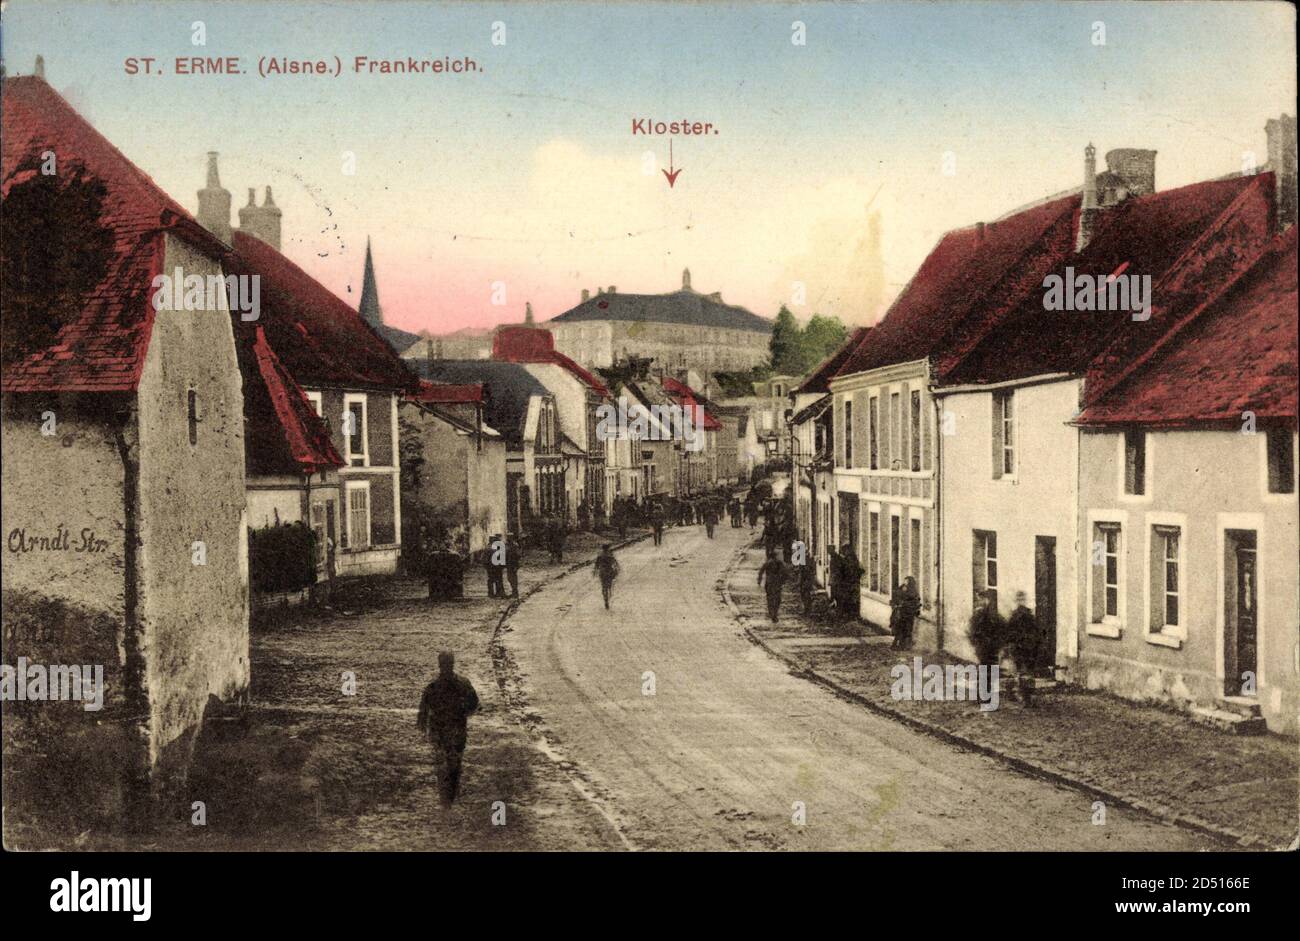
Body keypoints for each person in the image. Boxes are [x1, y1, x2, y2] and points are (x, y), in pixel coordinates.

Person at [416, 652, 480, 805]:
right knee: (454, 760)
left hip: (441, 729)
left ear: (440, 664)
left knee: (444, 760)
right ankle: (451, 791)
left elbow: (423, 711)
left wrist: (423, 726)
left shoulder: (432, 687)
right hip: (456, 728)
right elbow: (474, 704)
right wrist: (464, 712)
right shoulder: (463, 683)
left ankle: (446, 794)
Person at [1004, 591, 1038, 706]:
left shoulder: (1020, 615)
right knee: (1023, 673)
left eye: (1022, 599)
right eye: (1020, 599)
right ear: (1017, 601)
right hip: (1022, 648)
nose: (1021, 601)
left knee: (1020, 672)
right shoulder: (1024, 615)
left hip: (1024, 648)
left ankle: (1020, 695)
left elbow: (1035, 632)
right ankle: (1024, 697)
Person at [968, 589, 1006, 685]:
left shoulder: (991, 614)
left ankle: (986, 695)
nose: (980, 601)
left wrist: (996, 644)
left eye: (982, 599)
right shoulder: (979, 614)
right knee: (986, 671)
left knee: (987, 672)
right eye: (980, 599)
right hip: (985, 648)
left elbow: (1002, 629)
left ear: (987, 600)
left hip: (989, 648)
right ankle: (985, 694)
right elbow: (973, 630)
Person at [889, 575, 922, 650]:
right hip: (901, 614)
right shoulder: (901, 589)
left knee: (907, 630)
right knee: (899, 629)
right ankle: (896, 645)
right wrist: (896, 604)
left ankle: (904, 645)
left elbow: (916, 602)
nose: (905, 583)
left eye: (907, 582)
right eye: (905, 581)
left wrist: (906, 605)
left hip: (908, 614)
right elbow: (895, 598)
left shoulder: (913, 592)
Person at [757, 550, 788, 623]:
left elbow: (761, 571)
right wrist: (783, 581)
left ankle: (771, 613)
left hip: (769, 583)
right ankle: (775, 613)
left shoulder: (767, 563)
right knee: (777, 598)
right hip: (777, 583)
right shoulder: (779, 563)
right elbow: (785, 572)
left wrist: (759, 581)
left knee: (769, 598)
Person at [836, 543, 863, 618]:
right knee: (851, 598)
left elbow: (848, 570)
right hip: (851, 582)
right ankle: (851, 614)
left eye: (844, 550)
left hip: (850, 582)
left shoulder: (849, 559)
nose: (844, 552)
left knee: (850, 598)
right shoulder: (852, 558)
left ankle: (851, 614)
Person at [594, 544, 620, 610]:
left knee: (603, 586)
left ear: (602, 548)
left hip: (602, 572)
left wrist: (595, 571)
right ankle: (608, 593)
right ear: (608, 548)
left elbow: (596, 565)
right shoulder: (610, 555)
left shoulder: (600, 555)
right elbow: (615, 564)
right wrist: (617, 570)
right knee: (609, 585)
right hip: (609, 571)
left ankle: (605, 599)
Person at [504, 533, 521, 598]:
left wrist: (516, 564)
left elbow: (518, 555)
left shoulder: (515, 545)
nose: (508, 538)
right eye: (507, 537)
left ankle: (515, 593)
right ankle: (514, 592)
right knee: (510, 578)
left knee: (513, 578)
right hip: (509, 564)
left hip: (513, 564)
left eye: (509, 537)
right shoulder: (507, 545)